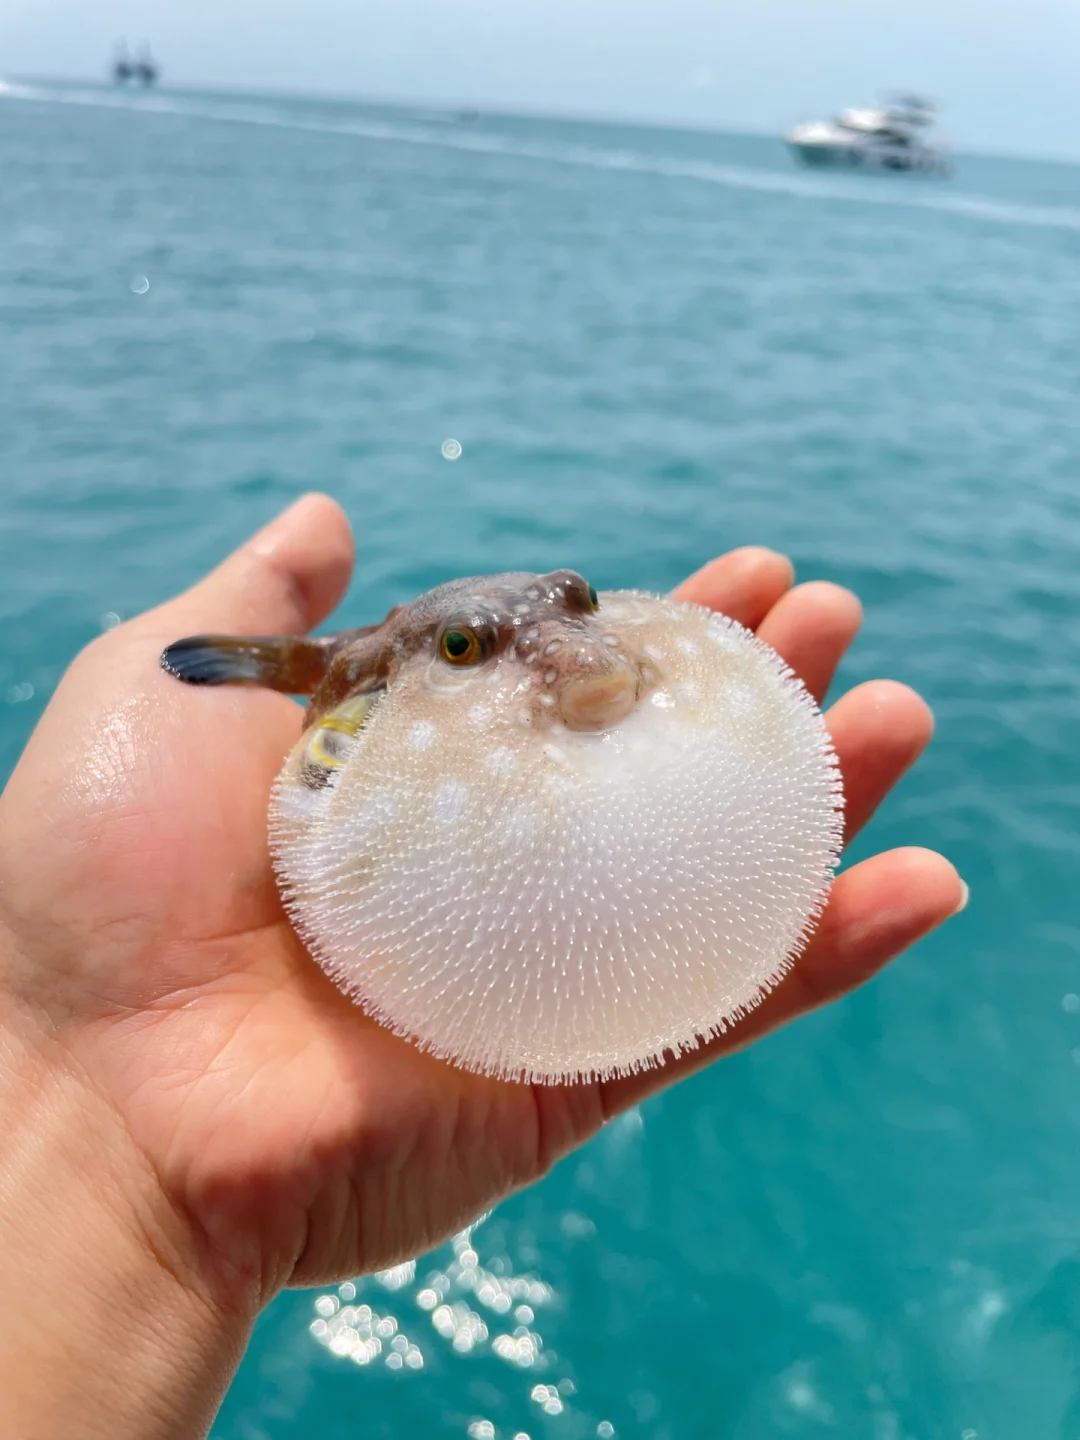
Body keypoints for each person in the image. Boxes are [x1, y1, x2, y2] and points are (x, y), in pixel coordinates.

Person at [0, 496, 964, 1439]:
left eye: (574, 603)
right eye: (468, 647)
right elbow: (306, 714)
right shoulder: (359, 698)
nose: (563, 645)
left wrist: (138, 1192)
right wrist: (126, 1162)